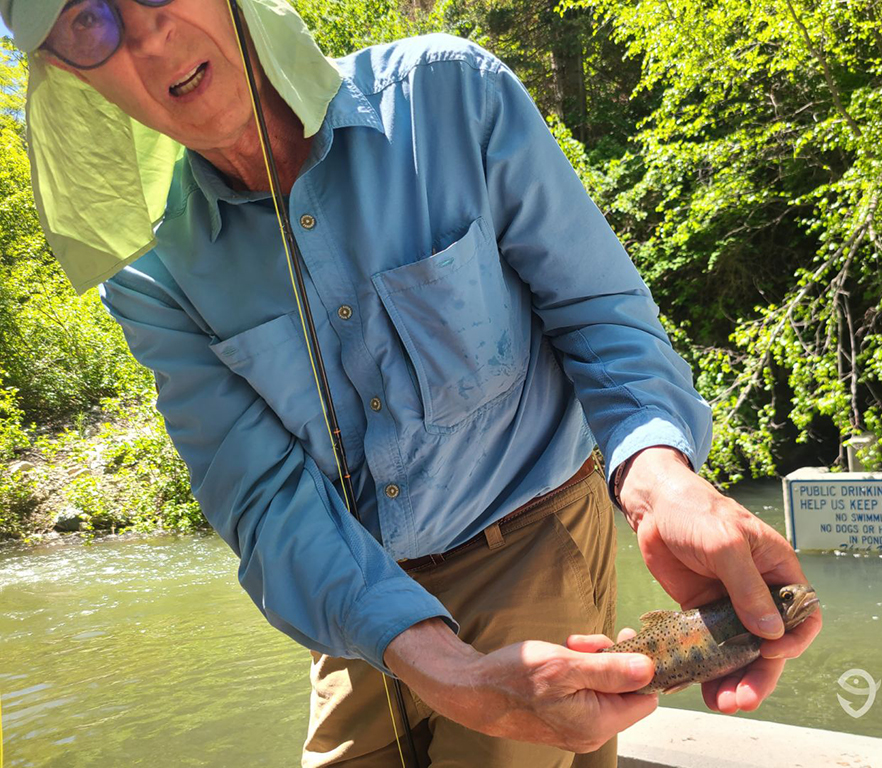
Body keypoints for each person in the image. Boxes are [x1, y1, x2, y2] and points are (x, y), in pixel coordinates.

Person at [0, 1, 822, 766]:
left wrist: (660, 483)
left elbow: (596, 312)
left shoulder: (449, 95)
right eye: (86, 24)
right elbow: (260, 497)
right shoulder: (149, 272)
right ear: (69, 73)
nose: (146, 40)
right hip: (357, 596)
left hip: (533, 537)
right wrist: (438, 663)